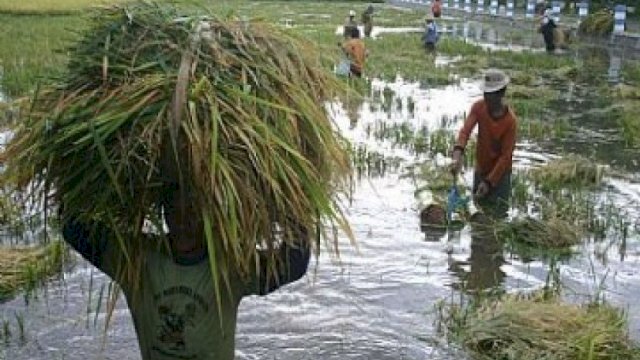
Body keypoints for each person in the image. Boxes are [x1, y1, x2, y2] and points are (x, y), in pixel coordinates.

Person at [60, 151, 311, 359]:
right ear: (163, 214)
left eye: (192, 211)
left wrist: (289, 201)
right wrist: (85, 171)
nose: (183, 222)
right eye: (174, 212)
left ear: (207, 216)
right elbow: (72, 227)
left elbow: (294, 263)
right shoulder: (137, 260)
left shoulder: (227, 267)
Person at [451, 69, 516, 218]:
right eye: (485, 93)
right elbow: (465, 132)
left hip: (500, 176)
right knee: (476, 214)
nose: (486, 97)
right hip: (481, 169)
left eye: (491, 94)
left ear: (501, 94)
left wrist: (489, 182)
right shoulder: (479, 107)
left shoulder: (510, 122)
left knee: (497, 217)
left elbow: (505, 157)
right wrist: (457, 152)